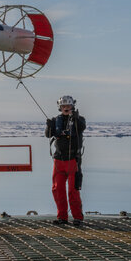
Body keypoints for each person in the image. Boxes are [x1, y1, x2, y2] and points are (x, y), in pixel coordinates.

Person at [45, 95, 86, 226]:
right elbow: (48, 135)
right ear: (60, 107)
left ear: (72, 106)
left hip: (73, 160)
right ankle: (62, 217)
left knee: (73, 190)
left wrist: (76, 117)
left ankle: (77, 218)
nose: (66, 108)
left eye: (68, 106)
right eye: (63, 106)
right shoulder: (56, 120)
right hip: (58, 160)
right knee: (58, 190)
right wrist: (49, 127)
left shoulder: (79, 119)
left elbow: (82, 127)